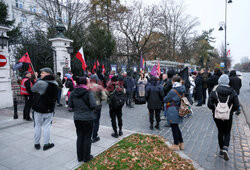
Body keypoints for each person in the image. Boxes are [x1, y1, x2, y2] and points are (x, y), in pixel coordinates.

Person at [207, 74, 239, 161]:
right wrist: (231, 111)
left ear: (219, 81)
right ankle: (225, 147)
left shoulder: (214, 91)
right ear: (228, 82)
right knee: (227, 131)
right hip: (228, 116)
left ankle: (221, 150)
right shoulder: (232, 92)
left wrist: (215, 109)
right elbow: (236, 105)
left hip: (217, 116)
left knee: (220, 131)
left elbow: (209, 104)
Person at [68, 77, 97, 162]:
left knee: (80, 136)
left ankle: (80, 157)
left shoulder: (73, 92)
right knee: (87, 137)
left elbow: (70, 105)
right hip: (88, 118)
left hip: (77, 118)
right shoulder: (88, 92)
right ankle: (86, 157)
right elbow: (93, 105)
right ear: (85, 83)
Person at [31, 67, 58, 151]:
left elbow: (32, 89)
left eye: (42, 73)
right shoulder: (55, 83)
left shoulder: (41, 83)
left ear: (48, 74)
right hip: (49, 109)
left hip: (39, 108)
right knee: (47, 126)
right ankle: (46, 144)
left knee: (38, 126)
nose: (40, 74)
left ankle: (37, 143)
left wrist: (38, 80)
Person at [163, 75, 185, 151]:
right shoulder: (182, 88)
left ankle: (176, 144)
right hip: (179, 109)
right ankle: (181, 143)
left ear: (174, 81)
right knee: (176, 126)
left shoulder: (173, 91)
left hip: (173, 110)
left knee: (174, 128)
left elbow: (165, 99)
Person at [88, 75, 107, 143]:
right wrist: (100, 98)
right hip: (97, 105)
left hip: (89, 106)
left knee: (90, 121)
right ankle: (94, 137)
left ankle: (89, 137)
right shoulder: (99, 87)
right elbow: (104, 97)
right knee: (96, 122)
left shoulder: (87, 86)